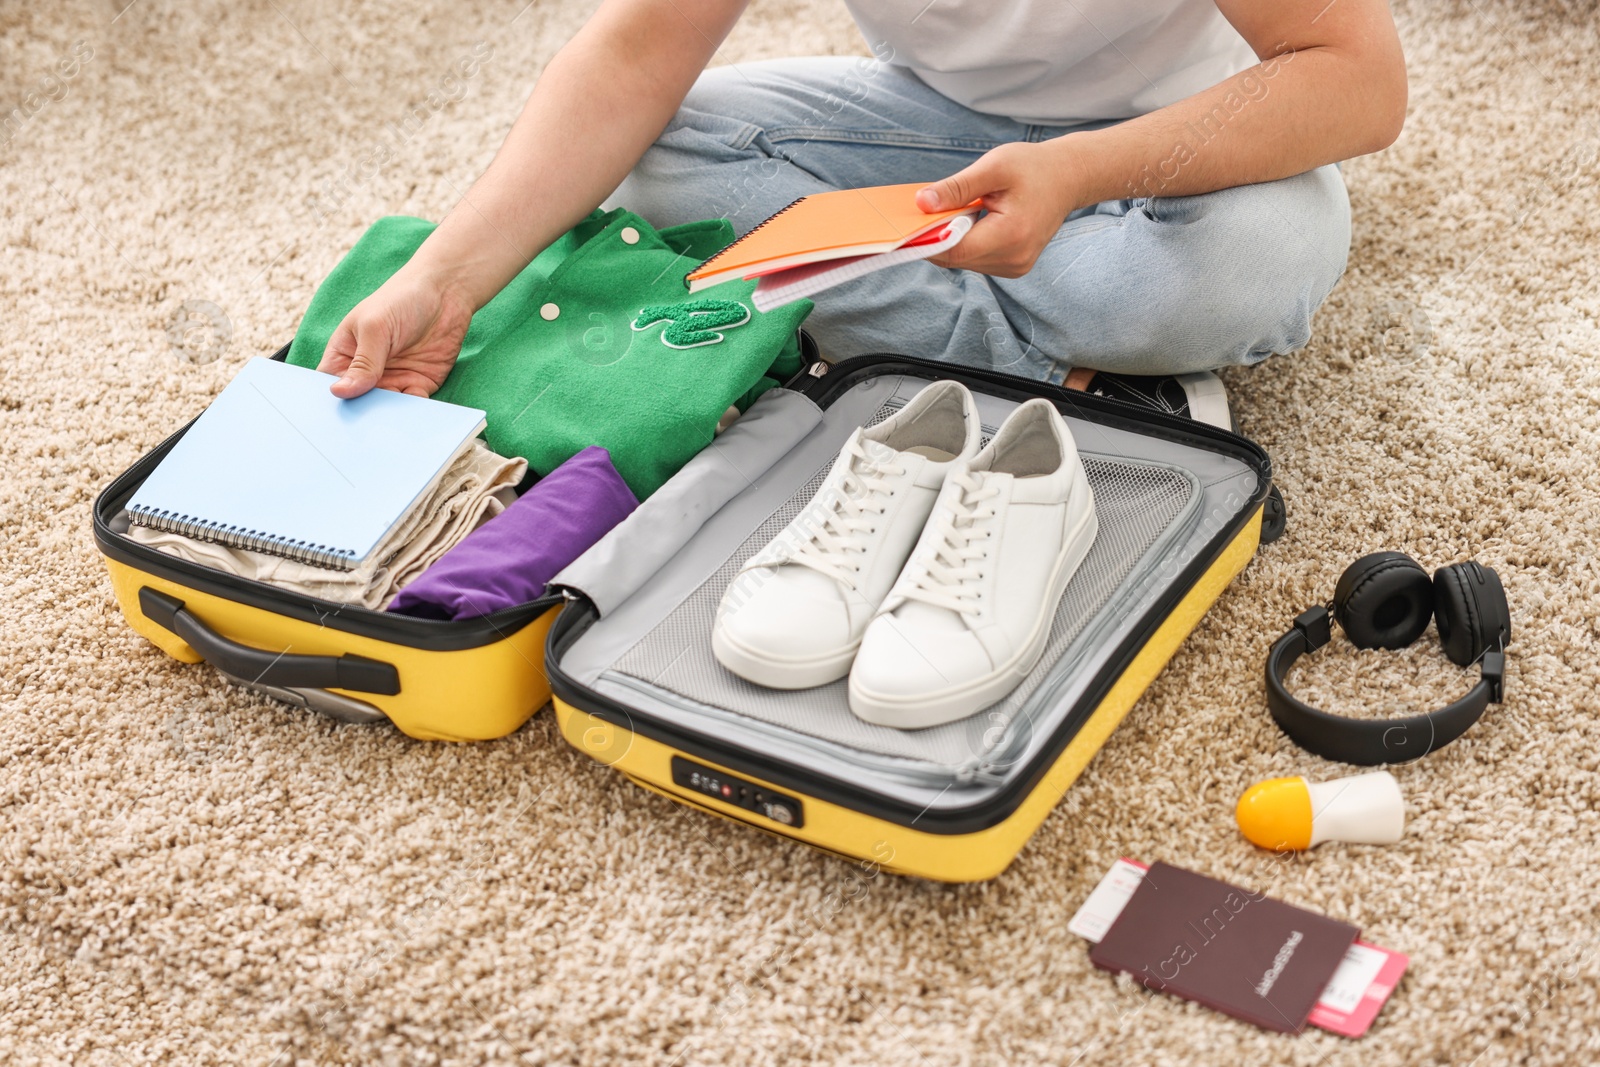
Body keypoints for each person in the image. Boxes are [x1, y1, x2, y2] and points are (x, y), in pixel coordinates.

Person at [317, 0, 1406, 405]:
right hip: (938, 122)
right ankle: (1064, 374)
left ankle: (1052, 334)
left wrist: (1078, 173)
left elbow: (1357, 78)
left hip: (1187, 146)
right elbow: (631, 59)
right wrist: (443, 279)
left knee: (1231, 263)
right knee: (675, 146)